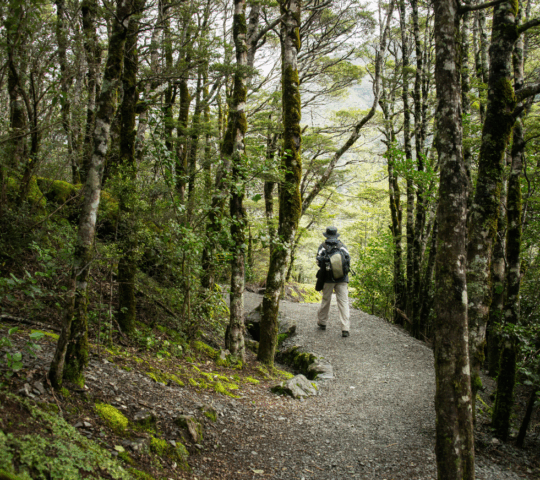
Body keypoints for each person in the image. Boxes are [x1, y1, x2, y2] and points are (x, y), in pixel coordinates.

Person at [316, 226, 351, 337]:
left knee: (326, 300)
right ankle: (345, 328)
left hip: (327, 279)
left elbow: (318, 261)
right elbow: (348, 260)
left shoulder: (323, 246)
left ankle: (322, 322)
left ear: (326, 235)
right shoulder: (342, 246)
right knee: (343, 302)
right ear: (336, 235)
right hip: (342, 279)